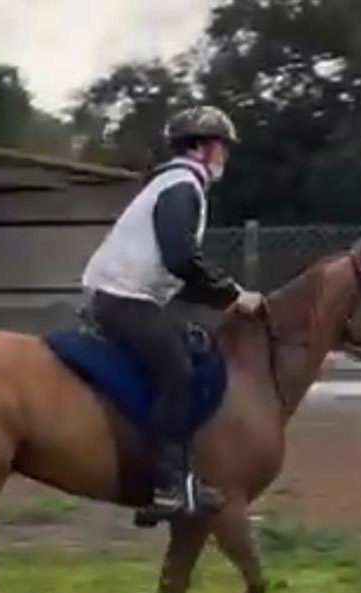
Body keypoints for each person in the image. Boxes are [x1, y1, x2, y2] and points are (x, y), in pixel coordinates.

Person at [81, 105, 264, 521]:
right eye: (222, 147)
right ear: (200, 148)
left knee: (189, 348)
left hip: (130, 297)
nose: (225, 157)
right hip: (124, 299)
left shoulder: (175, 182)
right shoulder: (183, 186)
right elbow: (180, 258)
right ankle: (167, 487)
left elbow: (177, 265)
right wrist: (232, 295)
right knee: (177, 372)